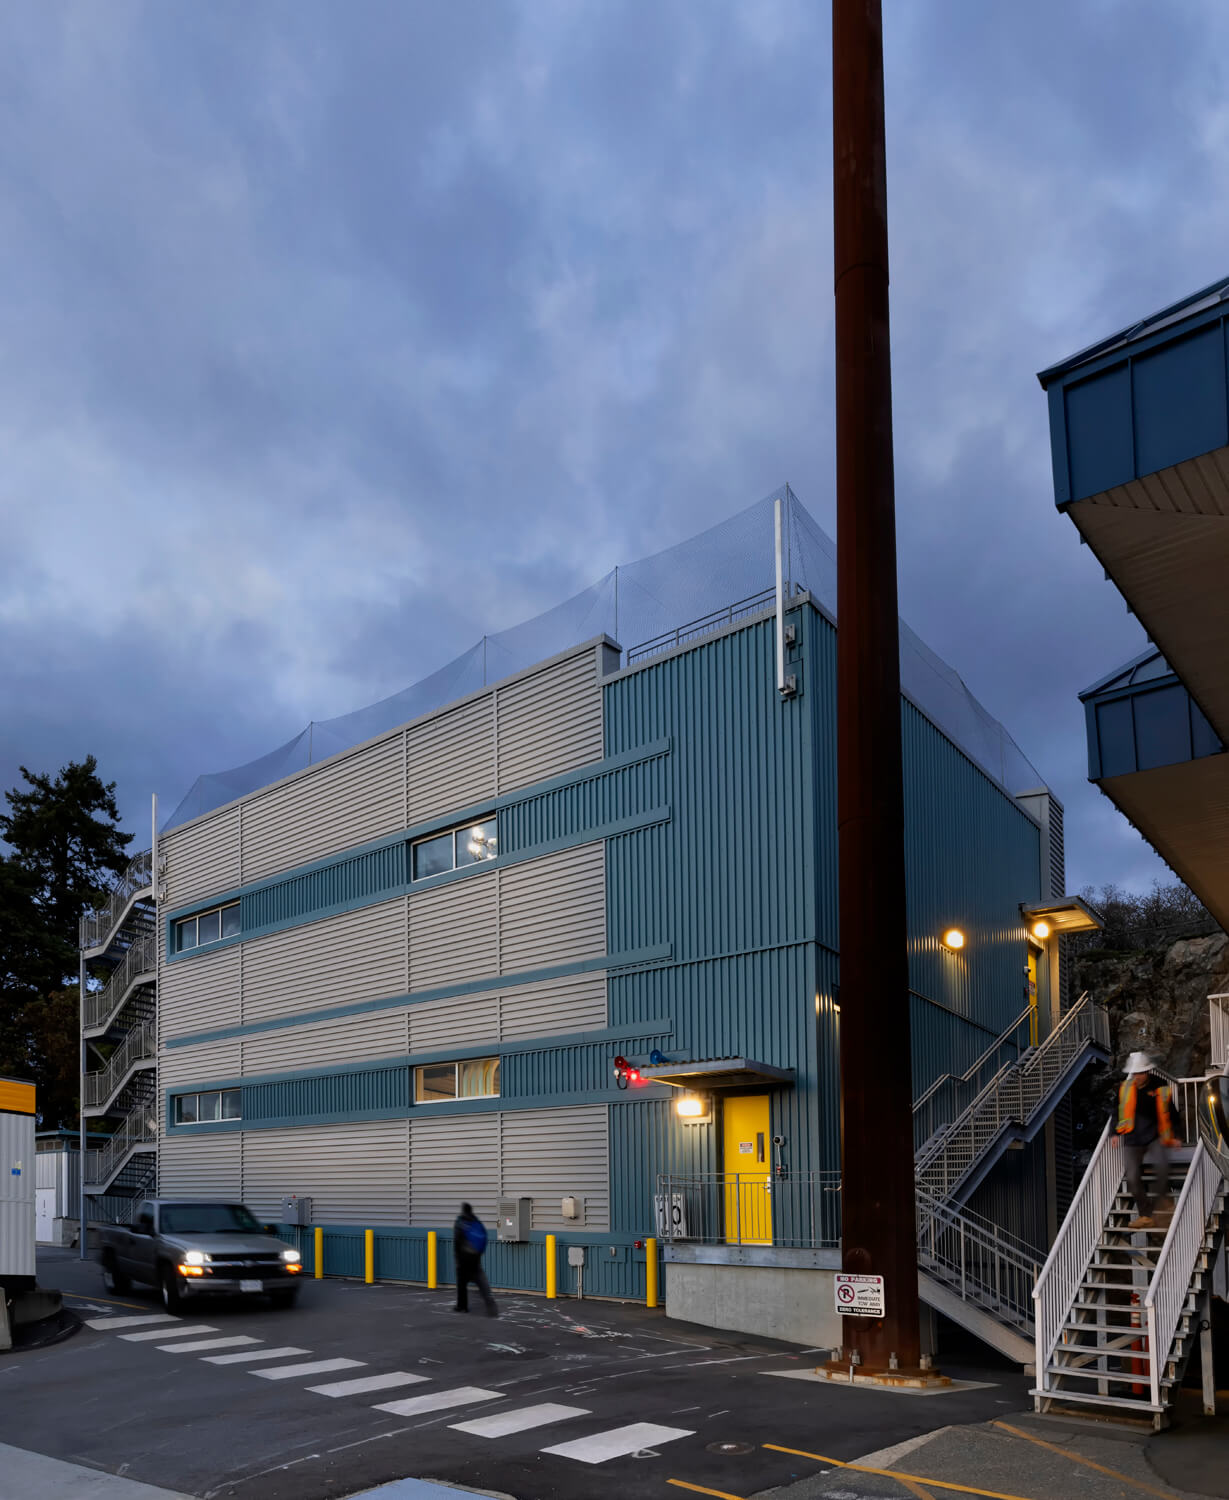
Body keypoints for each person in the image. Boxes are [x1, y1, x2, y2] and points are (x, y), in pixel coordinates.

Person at [1116, 1052, 1181, 1228]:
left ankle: (1165, 1204)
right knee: (1132, 1176)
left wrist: (1176, 1135)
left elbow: (1171, 1111)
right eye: (1134, 1073)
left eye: (1140, 1073)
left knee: (1162, 1167)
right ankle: (1146, 1215)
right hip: (1132, 1138)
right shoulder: (1124, 1087)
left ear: (1147, 1072)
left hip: (1155, 1136)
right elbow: (1116, 1111)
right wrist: (1114, 1133)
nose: (1137, 1076)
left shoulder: (1159, 1085)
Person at [453, 1202, 498, 1316]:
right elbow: (484, 1237)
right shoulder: (476, 1221)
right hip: (475, 1258)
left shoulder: (460, 1222)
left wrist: (457, 1258)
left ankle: (462, 1306)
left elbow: (457, 1241)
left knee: (462, 1284)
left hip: (463, 1260)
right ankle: (490, 1302)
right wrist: (479, 1254)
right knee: (481, 1282)